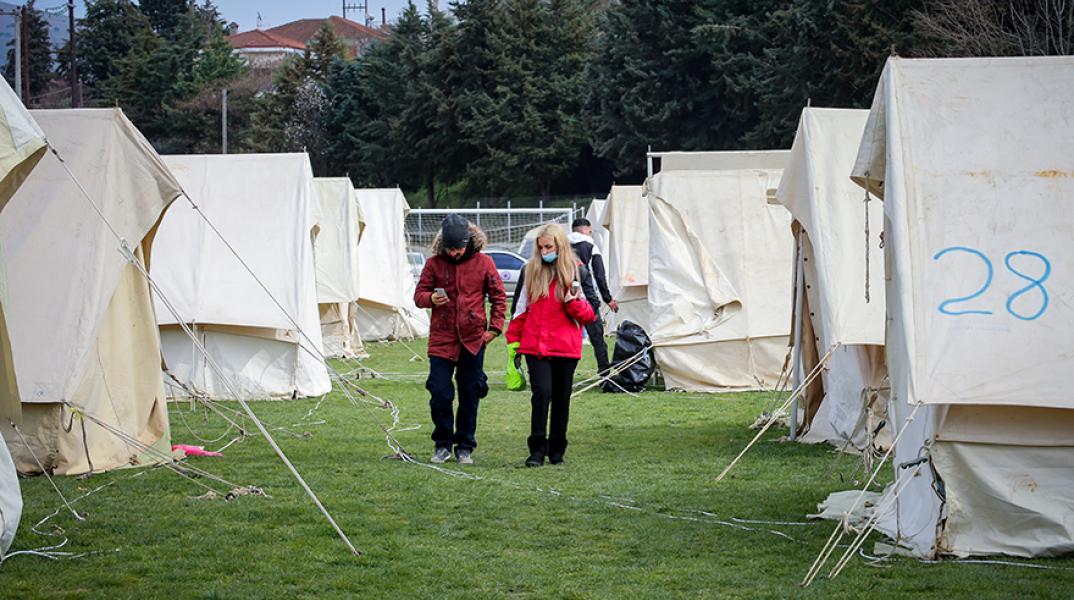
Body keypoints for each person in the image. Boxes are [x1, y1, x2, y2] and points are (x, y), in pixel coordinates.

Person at [414, 214, 506, 465]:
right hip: (441, 340)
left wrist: (494, 329)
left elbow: (498, 297)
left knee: (470, 395)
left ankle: (465, 446)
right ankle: (442, 444)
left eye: (459, 248)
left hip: (474, 339)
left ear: (469, 242)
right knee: (440, 394)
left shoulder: (485, 263)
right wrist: (431, 299)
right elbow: (418, 295)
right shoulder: (433, 264)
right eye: (449, 248)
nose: (454, 253)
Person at [505, 224, 595, 467]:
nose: (544, 251)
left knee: (562, 398)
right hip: (535, 344)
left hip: (565, 345)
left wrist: (572, 303)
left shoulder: (577, 273)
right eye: (541, 247)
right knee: (541, 393)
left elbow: (590, 314)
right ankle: (536, 449)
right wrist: (513, 339)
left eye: (548, 247)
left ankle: (557, 449)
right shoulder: (530, 270)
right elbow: (521, 308)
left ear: (560, 246)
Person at [568, 218, 619, 376]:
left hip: (566, 299)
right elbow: (599, 275)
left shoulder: (562, 246)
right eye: (590, 232)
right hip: (587, 300)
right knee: (597, 339)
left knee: (566, 340)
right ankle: (604, 373)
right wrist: (607, 298)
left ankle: (562, 375)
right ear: (584, 231)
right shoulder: (591, 246)